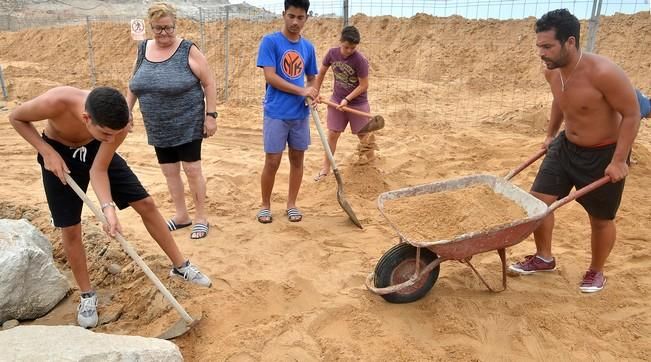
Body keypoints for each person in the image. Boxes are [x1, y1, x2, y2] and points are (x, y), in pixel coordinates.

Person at [9, 86, 212, 328]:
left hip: (95, 151)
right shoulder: (56, 101)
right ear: (87, 119)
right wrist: (46, 151)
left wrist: (109, 209)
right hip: (57, 152)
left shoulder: (118, 125)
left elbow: (99, 169)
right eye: (106, 133)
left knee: (145, 203)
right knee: (70, 228)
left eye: (115, 133)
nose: (112, 137)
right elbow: (16, 117)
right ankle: (87, 296)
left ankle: (181, 266)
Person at [508, 9, 640, 293]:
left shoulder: (604, 73)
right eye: (538, 46)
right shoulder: (552, 72)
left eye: (547, 46)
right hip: (566, 146)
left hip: (604, 152)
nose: (541, 53)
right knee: (538, 204)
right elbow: (561, 101)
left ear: (570, 42)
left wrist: (619, 160)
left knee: (601, 219)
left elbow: (632, 114)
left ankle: (596, 271)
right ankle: (544, 257)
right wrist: (549, 135)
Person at [127, 1, 217, 239]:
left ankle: (200, 217)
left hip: (187, 121)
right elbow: (133, 84)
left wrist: (211, 116)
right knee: (169, 171)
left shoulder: (188, 49)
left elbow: (209, 83)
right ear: (151, 27)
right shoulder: (142, 49)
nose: (164, 33)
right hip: (158, 125)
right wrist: (127, 112)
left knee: (192, 169)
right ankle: (181, 216)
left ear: (175, 25)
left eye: (168, 28)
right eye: (158, 28)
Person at [255, 0, 318, 224]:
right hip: (276, 111)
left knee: (297, 159)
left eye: (300, 17)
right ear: (283, 14)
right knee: (272, 160)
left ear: (306, 18)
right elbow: (271, 77)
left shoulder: (308, 47)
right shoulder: (270, 42)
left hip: (300, 114)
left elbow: (311, 77)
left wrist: (313, 92)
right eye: (291, 16)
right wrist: (302, 90)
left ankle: (291, 204)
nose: (295, 22)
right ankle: (265, 205)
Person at [312, 25, 374, 181]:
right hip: (336, 100)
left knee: (363, 135)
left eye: (352, 48)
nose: (349, 51)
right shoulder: (332, 54)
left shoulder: (360, 60)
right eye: (346, 47)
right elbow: (321, 74)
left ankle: (372, 166)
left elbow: (363, 85)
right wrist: (315, 92)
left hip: (357, 103)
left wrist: (347, 100)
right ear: (341, 42)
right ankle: (326, 169)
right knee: (333, 134)